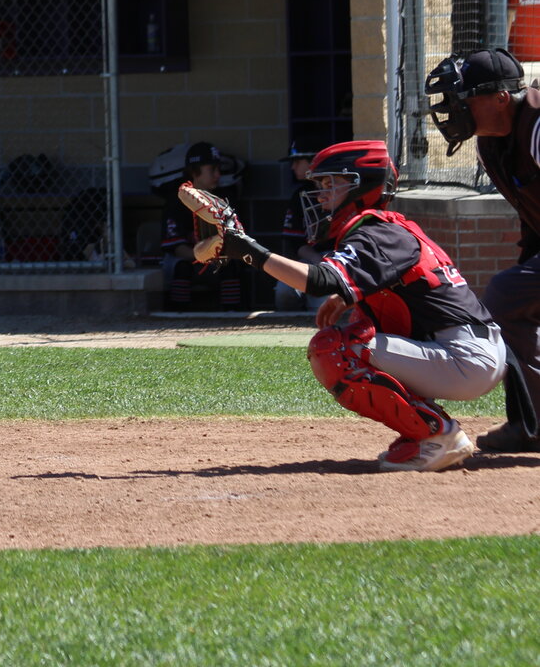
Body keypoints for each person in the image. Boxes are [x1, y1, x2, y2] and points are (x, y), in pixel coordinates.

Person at [204, 140, 505, 471]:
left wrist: (252, 253)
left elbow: (317, 280)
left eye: (331, 183)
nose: (321, 194)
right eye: (320, 184)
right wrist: (347, 296)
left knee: (334, 348)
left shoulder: (377, 233)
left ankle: (437, 435)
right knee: (359, 327)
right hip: (467, 350)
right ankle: (429, 428)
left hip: (463, 357)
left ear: (364, 185)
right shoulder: (386, 229)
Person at [426, 47, 540, 452]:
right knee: (516, 297)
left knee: (510, 293)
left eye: (464, 100)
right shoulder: (491, 143)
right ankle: (530, 425)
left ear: (501, 99)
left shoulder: (538, 126)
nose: (454, 110)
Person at [160, 141, 245, 310]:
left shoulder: (223, 198)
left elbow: (235, 240)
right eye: (211, 170)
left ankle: (231, 315)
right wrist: (205, 256)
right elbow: (176, 247)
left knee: (231, 266)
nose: (217, 175)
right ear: (194, 172)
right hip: (186, 258)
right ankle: (178, 315)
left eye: (218, 169)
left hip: (215, 259)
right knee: (181, 267)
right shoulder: (178, 199)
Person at [273, 141, 326, 312]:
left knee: (321, 303)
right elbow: (295, 244)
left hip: (338, 260)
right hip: (311, 260)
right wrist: (317, 258)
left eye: (298, 161)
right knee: (283, 292)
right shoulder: (301, 194)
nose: (292, 167)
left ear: (314, 161)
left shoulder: (343, 191)